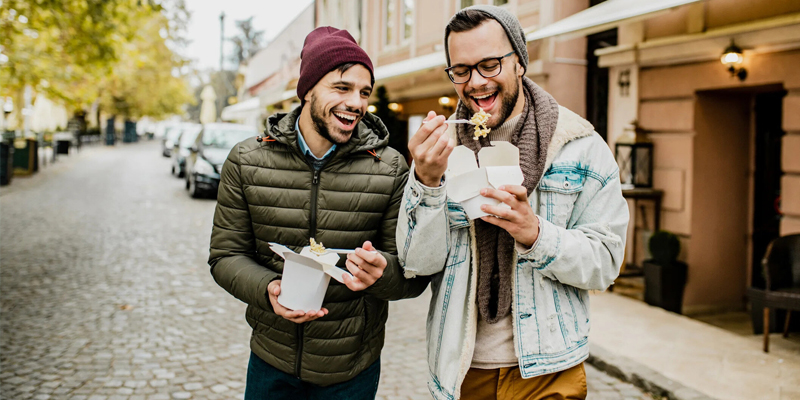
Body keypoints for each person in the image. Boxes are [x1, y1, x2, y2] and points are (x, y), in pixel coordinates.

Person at [397, 6, 630, 400]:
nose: (476, 82)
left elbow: (605, 264)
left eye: (490, 65)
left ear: (519, 62)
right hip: (463, 369)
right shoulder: (440, 151)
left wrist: (535, 233)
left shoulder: (581, 147)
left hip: (549, 370)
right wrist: (427, 181)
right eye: (462, 71)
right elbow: (416, 262)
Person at [209, 27, 428, 400]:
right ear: (307, 89)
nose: (356, 102)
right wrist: (268, 289)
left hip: (352, 369)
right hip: (271, 362)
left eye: (363, 91)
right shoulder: (246, 161)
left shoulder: (390, 168)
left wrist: (381, 274)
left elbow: (412, 275)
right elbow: (225, 256)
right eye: (341, 88)